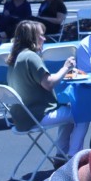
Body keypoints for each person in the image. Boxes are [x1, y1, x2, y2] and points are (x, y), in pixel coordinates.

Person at [5, 20, 83, 157]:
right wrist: (66, 68)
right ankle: (74, 156)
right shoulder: (31, 57)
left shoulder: (15, 57)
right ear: (31, 37)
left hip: (21, 117)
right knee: (83, 113)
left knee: (68, 113)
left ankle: (62, 153)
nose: (44, 38)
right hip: (37, 115)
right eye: (41, 35)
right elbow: (49, 83)